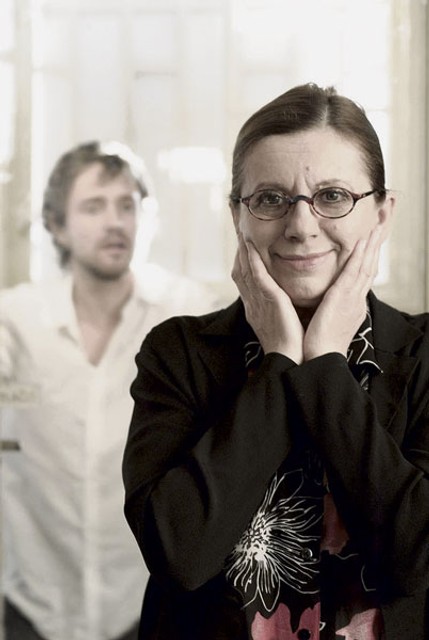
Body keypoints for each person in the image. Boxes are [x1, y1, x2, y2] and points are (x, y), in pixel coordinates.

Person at [122, 83, 429, 640]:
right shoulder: (177, 354)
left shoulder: (425, 355)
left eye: (332, 195)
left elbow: (416, 563)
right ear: (237, 216)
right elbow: (179, 556)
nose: (301, 226)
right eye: (269, 199)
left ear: (382, 215)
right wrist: (281, 361)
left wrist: (325, 364)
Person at [0, 141, 217, 640]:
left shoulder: (187, 313)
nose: (115, 222)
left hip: (149, 602)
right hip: (36, 606)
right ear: (56, 225)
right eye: (93, 207)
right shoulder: (16, 321)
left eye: (127, 205)